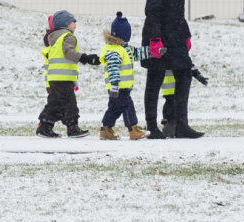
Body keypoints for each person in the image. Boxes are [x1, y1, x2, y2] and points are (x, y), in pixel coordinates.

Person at [142, 0, 204, 139]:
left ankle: (181, 124)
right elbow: (153, 10)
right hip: (159, 33)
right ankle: (152, 126)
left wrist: (185, 34)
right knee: (155, 78)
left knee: (184, 75)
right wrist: (155, 39)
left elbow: (178, 11)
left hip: (176, 33)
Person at [36, 10, 100, 139]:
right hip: (63, 78)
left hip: (54, 77)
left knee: (55, 103)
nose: (75, 24)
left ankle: (44, 126)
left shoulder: (55, 38)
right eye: (73, 22)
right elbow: (68, 52)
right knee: (70, 104)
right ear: (65, 24)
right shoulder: (68, 36)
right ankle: (72, 128)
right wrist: (85, 58)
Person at [98, 11, 156, 140]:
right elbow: (113, 69)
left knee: (114, 109)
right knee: (127, 107)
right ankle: (133, 129)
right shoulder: (113, 50)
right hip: (118, 87)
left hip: (121, 87)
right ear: (123, 34)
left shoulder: (125, 48)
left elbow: (138, 52)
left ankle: (105, 129)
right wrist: (114, 85)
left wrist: (154, 51)